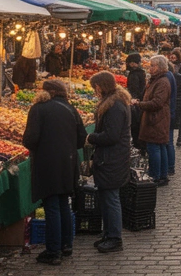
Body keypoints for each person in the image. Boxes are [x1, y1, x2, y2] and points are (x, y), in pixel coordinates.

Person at [23, 79, 87, 265]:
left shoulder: (39, 109)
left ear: (47, 92)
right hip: (67, 163)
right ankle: (66, 245)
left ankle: (53, 251)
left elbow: (30, 139)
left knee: (51, 205)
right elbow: (81, 138)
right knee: (63, 204)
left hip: (47, 163)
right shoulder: (70, 109)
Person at [87, 71, 131, 253]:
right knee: (106, 197)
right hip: (110, 158)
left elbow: (111, 136)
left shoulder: (114, 107)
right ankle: (108, 234)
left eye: (95, 88)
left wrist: (92, 137)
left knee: (111, 198)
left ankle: (115, 238)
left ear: (100, 86)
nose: (95, 92)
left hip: (112, 159)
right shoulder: (114, 103)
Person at [133, 55, 173, 186]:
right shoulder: (157, 80)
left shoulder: (162, 82)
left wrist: (140, 104)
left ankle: (156, 175)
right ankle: (162, 174)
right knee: (159, 146)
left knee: (155, 147)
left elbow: (157, 102)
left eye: (152, 65)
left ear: (159, 67)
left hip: (156, 119)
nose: (149, 68)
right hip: (157, 119)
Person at [126, 53, 147, 147]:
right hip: (140, 102)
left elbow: (134, 90)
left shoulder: (134, 74)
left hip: (136, 104)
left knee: (135, 127)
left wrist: (132, 100)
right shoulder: (141, 72)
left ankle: (138, 147)